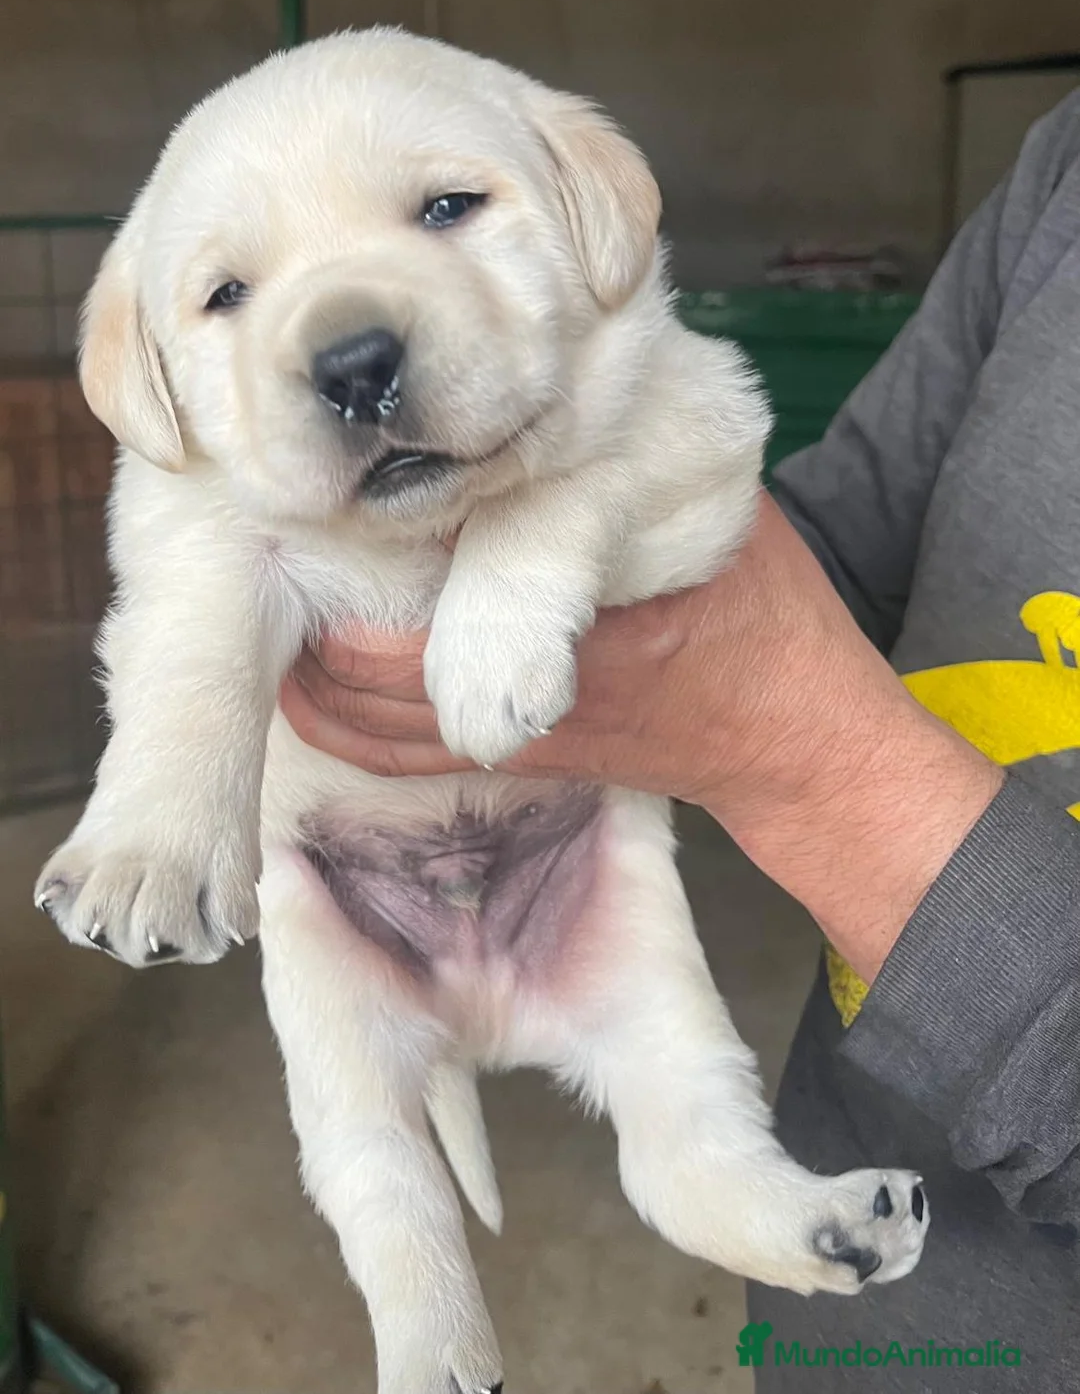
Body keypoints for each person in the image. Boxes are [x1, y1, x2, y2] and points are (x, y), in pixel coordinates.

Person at [279, 92, 1080, 1390]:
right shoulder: (1070, 160)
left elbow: (778, 677)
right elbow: (844, 536)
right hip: (848, 1311)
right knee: (365, 1115)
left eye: (449, 210)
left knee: (661, 1071)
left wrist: (802, 752)